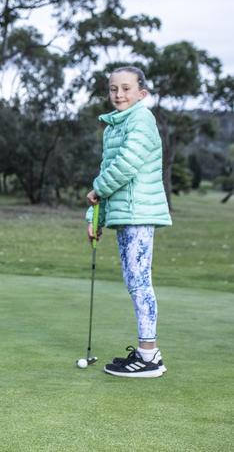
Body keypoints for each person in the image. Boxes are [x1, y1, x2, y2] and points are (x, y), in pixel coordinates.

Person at [85, 65, 172, 378]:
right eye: (113, 89)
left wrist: (96, 191)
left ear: (142, 93)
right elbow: (108, 174)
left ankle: (149, 357)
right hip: (125, 213)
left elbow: (125, 166)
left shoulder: (141, 118)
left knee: (139, 280)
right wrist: (95, 217)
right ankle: (146, 353)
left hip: (139, 212)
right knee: (134, 280)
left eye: (125, 88)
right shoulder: (114, 126)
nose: (118, 94)